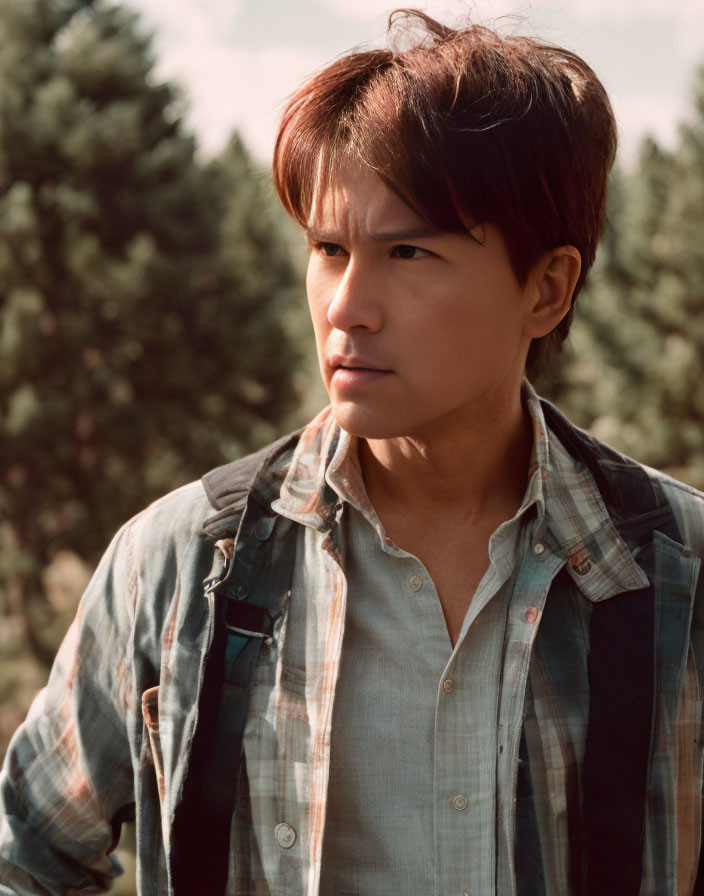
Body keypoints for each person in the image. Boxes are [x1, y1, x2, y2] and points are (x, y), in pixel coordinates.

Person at [1, 9, 703, 896]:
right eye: (328, 249)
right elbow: (25, 853)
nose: (346, 307)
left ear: (548, 288)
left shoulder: (676, 572)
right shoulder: (182, 566)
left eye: (407, 250)